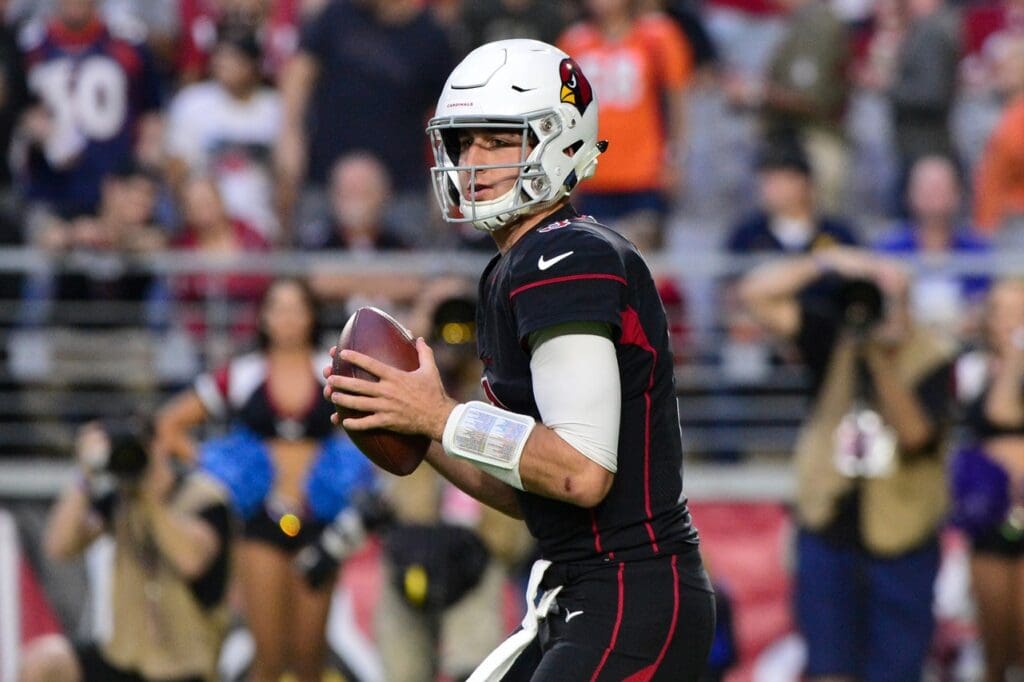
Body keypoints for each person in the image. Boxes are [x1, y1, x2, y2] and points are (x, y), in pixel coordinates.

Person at [325, 39, 715, 680]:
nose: (473, 161)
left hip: (628, 594)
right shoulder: (517, 264)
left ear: (559, 141)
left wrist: (441, 416)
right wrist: (419, 428)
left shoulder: (562, 258)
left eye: (498, 140)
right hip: (593, 593)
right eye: (463, 143)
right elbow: (530, 490)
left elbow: (581, 473)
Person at [738, 247, 956, 682]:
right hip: (828, 531)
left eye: (892, 297)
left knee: (896, 671)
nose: (883, 309)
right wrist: (827, 261)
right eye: (878, 296)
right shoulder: (833, 337)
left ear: (909, 303)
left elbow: (915, 435)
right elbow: (755, 295)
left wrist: (874, 354)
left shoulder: (935, 358)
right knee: (828, 668)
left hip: (902, 542)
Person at [155, 277, 375, 682]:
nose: (288, 318)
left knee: (311, 658)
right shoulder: (241, 375)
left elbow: (375, 430)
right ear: (264, 317)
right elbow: (170, 424)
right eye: (278, 307)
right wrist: (220, 467)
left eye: (297, 308)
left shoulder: (333, 373)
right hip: (260, 521)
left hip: (320, 523)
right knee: (269, 658)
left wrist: (349, 476)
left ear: (311, 316)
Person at [19, 418, 232, 682]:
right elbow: (58, 547)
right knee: (44, 662)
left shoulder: (204, 498)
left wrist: (149, 496)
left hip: (184, 665)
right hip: (126, 657)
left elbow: (190, 561)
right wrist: (85, 474)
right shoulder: (121, 500)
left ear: (160, 446)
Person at [557, 0, 693, 251]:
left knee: (643, 259)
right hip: (592, 174)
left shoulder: (657, 36)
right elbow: (565, 112)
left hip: (645, 173)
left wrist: (675, 159)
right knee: (595, 258)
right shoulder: (574, 40)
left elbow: (677, 101)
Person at [950, 278, 1024, 682]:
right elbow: (999, 412)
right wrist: (1014, 358)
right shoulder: (970, 368)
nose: (1012, 322)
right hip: (990, 516)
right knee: (995, 650)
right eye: (1003, 312)